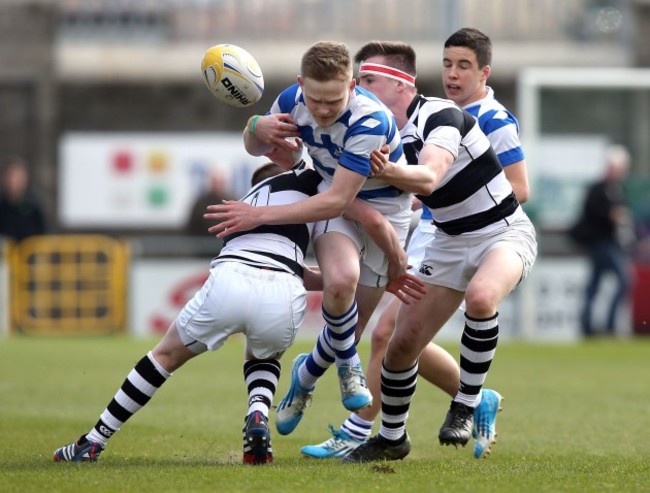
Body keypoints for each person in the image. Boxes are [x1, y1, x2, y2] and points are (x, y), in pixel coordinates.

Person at [52, 161, 417, 465]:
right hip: (283, 287)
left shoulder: (248, 199)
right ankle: (258, 414)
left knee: (164, 356)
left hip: (232, 276)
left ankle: (94, 440)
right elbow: (346, 236)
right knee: (266, 352)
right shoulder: (315, 186)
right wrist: (388, 271)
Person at [301, 30, 531, 461]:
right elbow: (326, 176)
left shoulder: (450, 115)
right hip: (444, 238)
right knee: (399, 341)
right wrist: (263, 130)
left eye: (367, 80)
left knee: (477, 299)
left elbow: (432, 178)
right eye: (447, 63)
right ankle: (391, 438)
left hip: (499, 231)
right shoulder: (370, 130)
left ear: (401, 83)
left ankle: (464, 402)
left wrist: (386, 175)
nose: (357, 89)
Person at [205, 41, 416, 436]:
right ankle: (348, 366)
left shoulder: (369, 121)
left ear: (353, 85)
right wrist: (255, 127)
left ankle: (305, 375)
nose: (321, 110)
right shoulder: (292, 99)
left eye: (333, 101)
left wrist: (258, 215)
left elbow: (338, 199)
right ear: (302, 84)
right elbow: (258, 149)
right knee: (340, 281)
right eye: (315, 99)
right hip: (336, 203)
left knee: (350, 328)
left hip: (378, 208)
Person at [570, 145, 634, 337]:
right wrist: (610, 215)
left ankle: (593, 326)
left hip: (612, 243)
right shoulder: (598, 189)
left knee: (595, 285)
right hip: (600, 243)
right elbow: (591, 213)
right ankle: (605, 326)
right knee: (623, 280)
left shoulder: (618, 190)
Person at [0, 156, 47, 242]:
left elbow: (44, 231)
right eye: (9, 177)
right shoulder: (2, 204)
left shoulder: (34, 204)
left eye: (16, 177)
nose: (12, 181)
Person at [186, 168, 235, 235]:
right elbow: (192, 226)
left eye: (220, 182)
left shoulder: (233, 202)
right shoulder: (201, 203)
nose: (217, 185)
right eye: (215, 181)